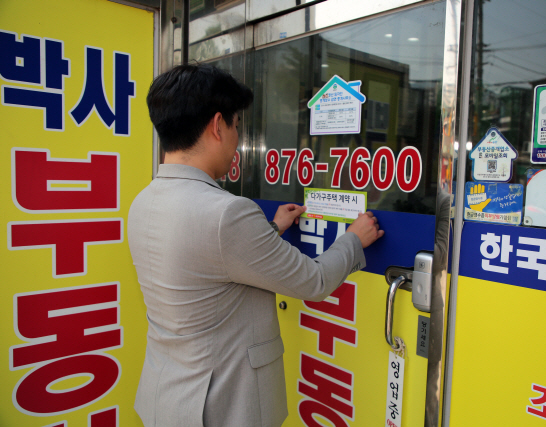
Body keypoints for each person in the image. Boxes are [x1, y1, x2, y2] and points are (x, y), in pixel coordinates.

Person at [127, 64, 384, 427]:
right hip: (222, 407)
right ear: (217, 126)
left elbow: (208, 262)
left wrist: (272, 228)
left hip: (166, 396)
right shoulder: (227, 213)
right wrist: (355, 238)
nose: (236, 140)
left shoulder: (143, 201)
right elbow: (314, 282)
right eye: (236, 126)